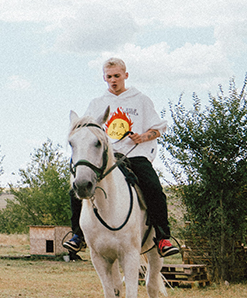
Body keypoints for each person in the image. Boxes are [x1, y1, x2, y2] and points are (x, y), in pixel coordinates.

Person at [63, 57, 180, 258]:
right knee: (77, 184)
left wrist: (143, 137)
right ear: (104, 78)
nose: (113, 80)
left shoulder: (141, 100)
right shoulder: (97, 103)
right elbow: (86, 132)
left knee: (153, 187)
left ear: (125, 75)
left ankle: (162, 236)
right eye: (109, 76)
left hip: (135, 155)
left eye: (117, 76)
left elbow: (158, 128)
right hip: (106, 157)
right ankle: (78, 235)